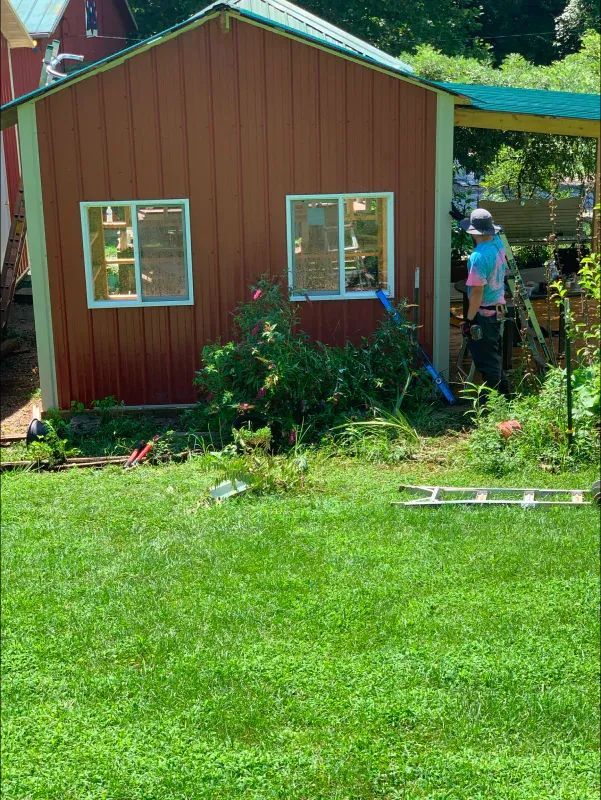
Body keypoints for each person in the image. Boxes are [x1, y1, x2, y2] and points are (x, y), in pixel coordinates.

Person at [459, 208, 510, 395]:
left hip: (484, 313)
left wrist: (470, 319)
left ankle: (496, 406)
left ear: (472, 232)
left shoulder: (477, 257)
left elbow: (477, 292)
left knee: (487, 363)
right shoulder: (498, 246)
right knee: (494, 357)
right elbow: (492, 235)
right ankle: (507, 398)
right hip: (498, 310)